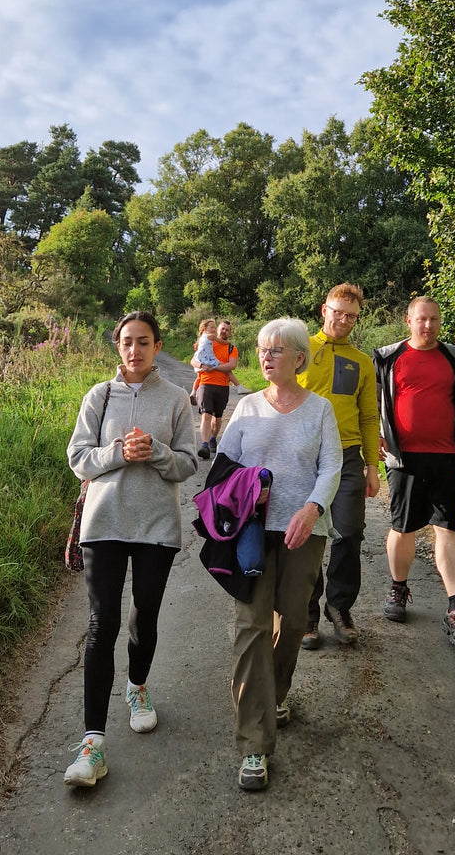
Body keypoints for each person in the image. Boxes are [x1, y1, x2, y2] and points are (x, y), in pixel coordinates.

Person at [64, 311, 198, 785]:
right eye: (126, 342)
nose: (134, 350)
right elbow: (78, 458)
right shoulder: (99, 396)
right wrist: (118, 453)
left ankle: (137, 688)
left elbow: (188, 463)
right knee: (103, 623)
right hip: (104, 522)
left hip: (157, 527)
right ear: (117, 347)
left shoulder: (178, 399)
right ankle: (92, 743)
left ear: (157, 345)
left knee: (146, 614)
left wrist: (156, 453)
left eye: (143, 342)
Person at [217, 318, 342, 790]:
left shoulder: (320, 410)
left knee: (292, 623)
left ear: (299, 359)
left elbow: (331, 466)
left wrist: (312, 508)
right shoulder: (246, 408)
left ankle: (276, 694)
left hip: (304, 532)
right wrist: (246, 491)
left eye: (276, 350)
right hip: (251, 534)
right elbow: (222, 467)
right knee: (250, 626)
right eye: (261, 349)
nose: (266, 356)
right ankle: (254, 745)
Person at [373, 297, 455, 651]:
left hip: (446, 457)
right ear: (408, 320)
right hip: (403, 459)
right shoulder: (388, 357)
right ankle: (398, 588)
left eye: (434, 320)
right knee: (402, 526)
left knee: (447, 528)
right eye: (422, 319)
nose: (428, 326)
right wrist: (374, 436)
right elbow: (374, 403)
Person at [297, 284, 380, 648]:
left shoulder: (362, 362)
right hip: (303, 455)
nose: (343, 320)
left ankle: (339, 606)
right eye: (337, 311)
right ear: (323, 309)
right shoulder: (301, 349)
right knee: (307, 535)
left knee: (349, 532)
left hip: (347, 457)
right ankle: (306, 613)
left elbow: (369, 416)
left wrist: (373, 467)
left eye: (351, 315)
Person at [194, 317, 240, 461]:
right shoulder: (207, 342)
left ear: (229, 332)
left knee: (217, 417)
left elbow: (231, 365)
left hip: (223, 386)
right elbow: (194, 360)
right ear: (216, 329)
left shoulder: (231, 348)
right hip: (205, 383)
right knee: (206, 415)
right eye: (222, 328)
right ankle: (205, 445)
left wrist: (213, 367)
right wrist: (202, 366)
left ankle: (213, 438)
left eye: (227, 330)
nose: (224, 331)